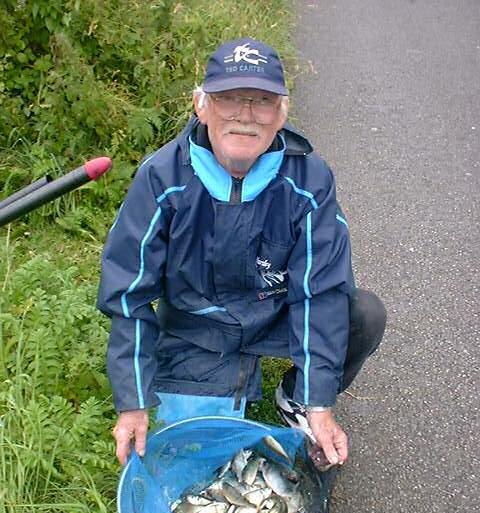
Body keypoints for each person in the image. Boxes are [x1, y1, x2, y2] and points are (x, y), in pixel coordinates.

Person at [97, 38, 386, 467]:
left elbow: (320, 291)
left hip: (275, 318)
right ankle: (203, 392)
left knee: (362, 313)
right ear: (201, 105)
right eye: (229, 99)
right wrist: (133, 401)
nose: (245, 116)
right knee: (196, 463)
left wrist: (319, 403)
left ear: (281, 113)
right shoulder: (161, 178)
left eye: (262, 102)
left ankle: (296, 398)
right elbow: (129, 294)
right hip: (196, 332)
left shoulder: (310, 180)